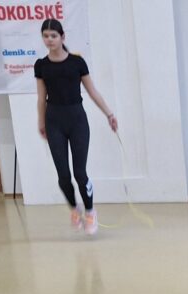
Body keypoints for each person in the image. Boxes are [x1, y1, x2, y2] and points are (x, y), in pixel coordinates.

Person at [35, 18, 117, 235]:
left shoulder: (77, 63)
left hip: (77, 121)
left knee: (80, 173)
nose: (49, 40)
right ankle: (74, 208)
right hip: (54, 121)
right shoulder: (41, 65)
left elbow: (92, 91)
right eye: (46, 36)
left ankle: (90, 211)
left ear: (62, 37)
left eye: (53, 36)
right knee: (63, 175)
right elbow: (41, 98)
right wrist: (41, 121)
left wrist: (109, 114)